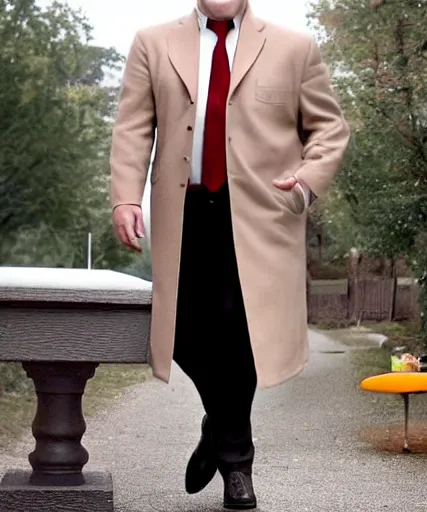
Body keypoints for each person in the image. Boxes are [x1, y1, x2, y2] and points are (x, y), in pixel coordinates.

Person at [109, 0, 350, 509]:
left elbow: (329, 129)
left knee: (243, 333)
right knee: (184, 333)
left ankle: (236, 463)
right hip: (185, 212)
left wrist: (306, 184)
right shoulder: (152, 43)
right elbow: (134, 127)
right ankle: (220, 425)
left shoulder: (295, 48)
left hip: (263, 216)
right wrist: (127, 196)